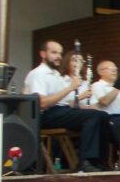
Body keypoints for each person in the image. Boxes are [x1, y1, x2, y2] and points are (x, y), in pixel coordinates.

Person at [23, 40, 110, 173]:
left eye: (60, 53)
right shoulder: (38, 73)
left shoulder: (56, 75)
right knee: (93, 117)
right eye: (54, 52)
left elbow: (67, 101)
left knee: (102, 115)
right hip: (45, 114)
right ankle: (85, 162)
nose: (58, 56)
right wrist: (70, 87)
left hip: (60, 110)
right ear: (43, 54)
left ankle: (99, 162)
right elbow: (42, 102)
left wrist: (83, 105)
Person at [90, 60, 120, 165]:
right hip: (108, 118)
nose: (114, 72)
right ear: (101, 72)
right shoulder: (97, 85)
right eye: (111, 69)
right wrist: (118, 87)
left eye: (116, 70)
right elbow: (104, 101)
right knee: (118, 126)